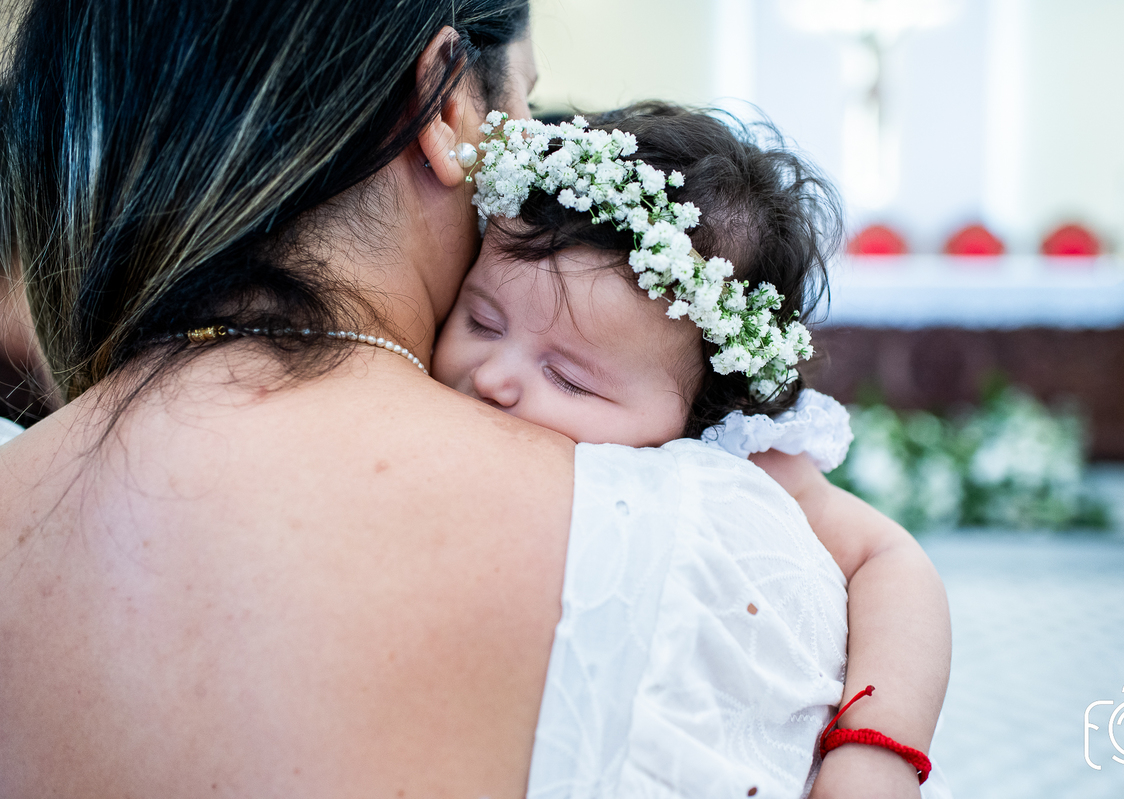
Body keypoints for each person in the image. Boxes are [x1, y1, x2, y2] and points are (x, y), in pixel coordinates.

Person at [0, 3, 946, 798]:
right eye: (522, 101)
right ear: (444, 105)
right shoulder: (703, 543)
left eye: (573, 375)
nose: (504, 376)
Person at [432, 104, 952, 796]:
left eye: (568, 377)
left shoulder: (741, 454)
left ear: (704, 403)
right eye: (481, 320)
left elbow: (890, 560)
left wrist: (875, 749)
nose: (493, 376)